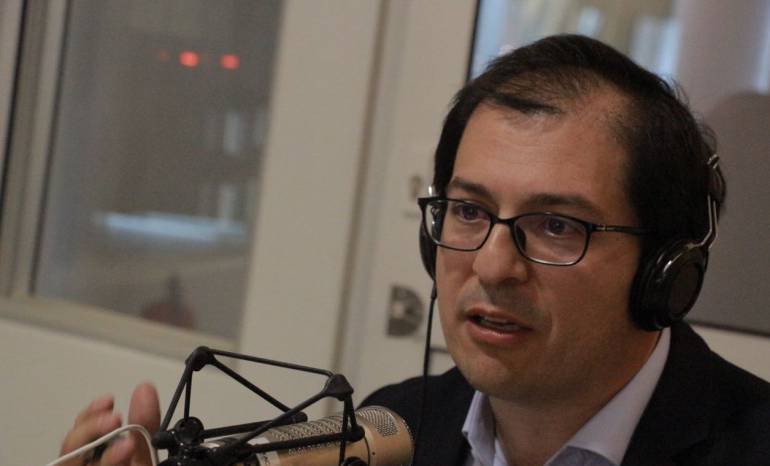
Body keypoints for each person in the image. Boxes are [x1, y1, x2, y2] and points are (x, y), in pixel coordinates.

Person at [59, 35, 770, 466]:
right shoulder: (389, 431)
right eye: (469, 211)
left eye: (557, 225)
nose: (492, 265)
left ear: (665, 272)